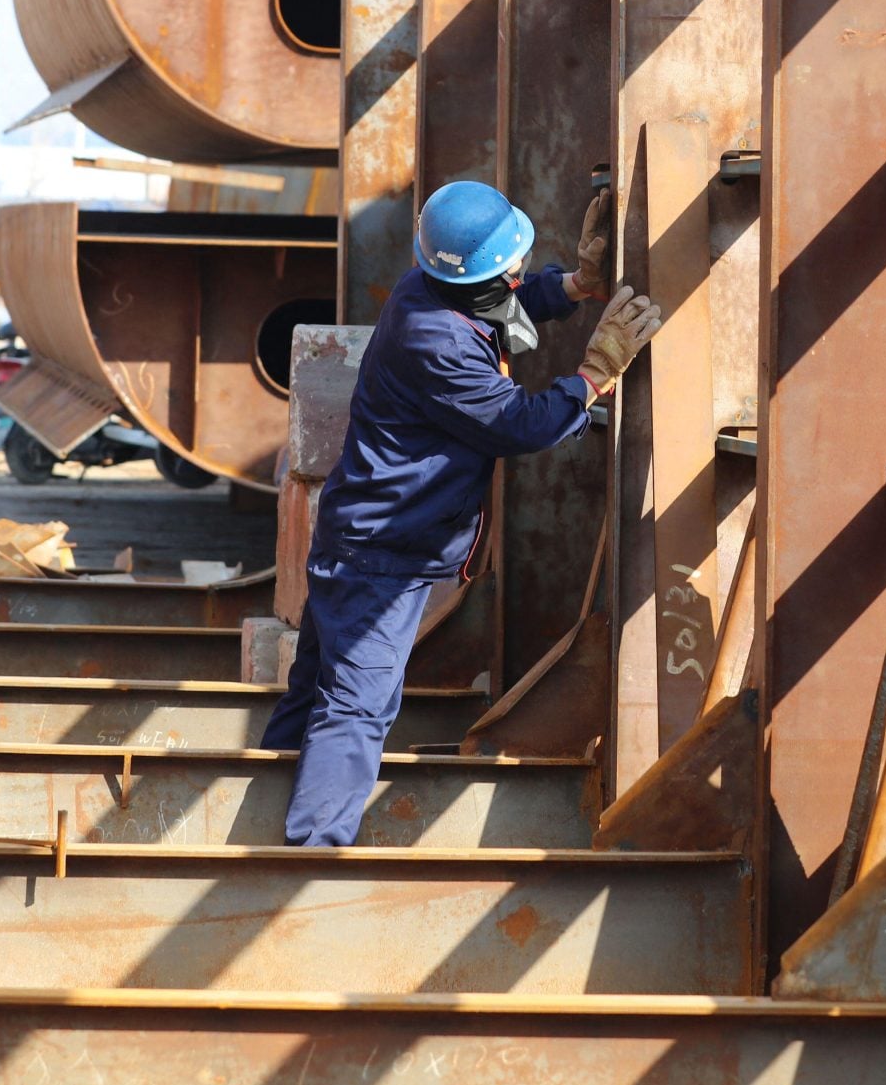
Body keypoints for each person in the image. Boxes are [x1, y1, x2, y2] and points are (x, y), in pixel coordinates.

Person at [260, 179, 663, 845]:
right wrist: (594, 374)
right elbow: (519, 424)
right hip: (383, 557)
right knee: (357, 708)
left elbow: (499, 304)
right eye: (515, 265)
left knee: (314, 695)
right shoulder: (437, 341)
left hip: (361, 536)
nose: (521, 273)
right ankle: (312, 852)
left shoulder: (431, 289)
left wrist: (573, 287)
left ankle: (252, 805)